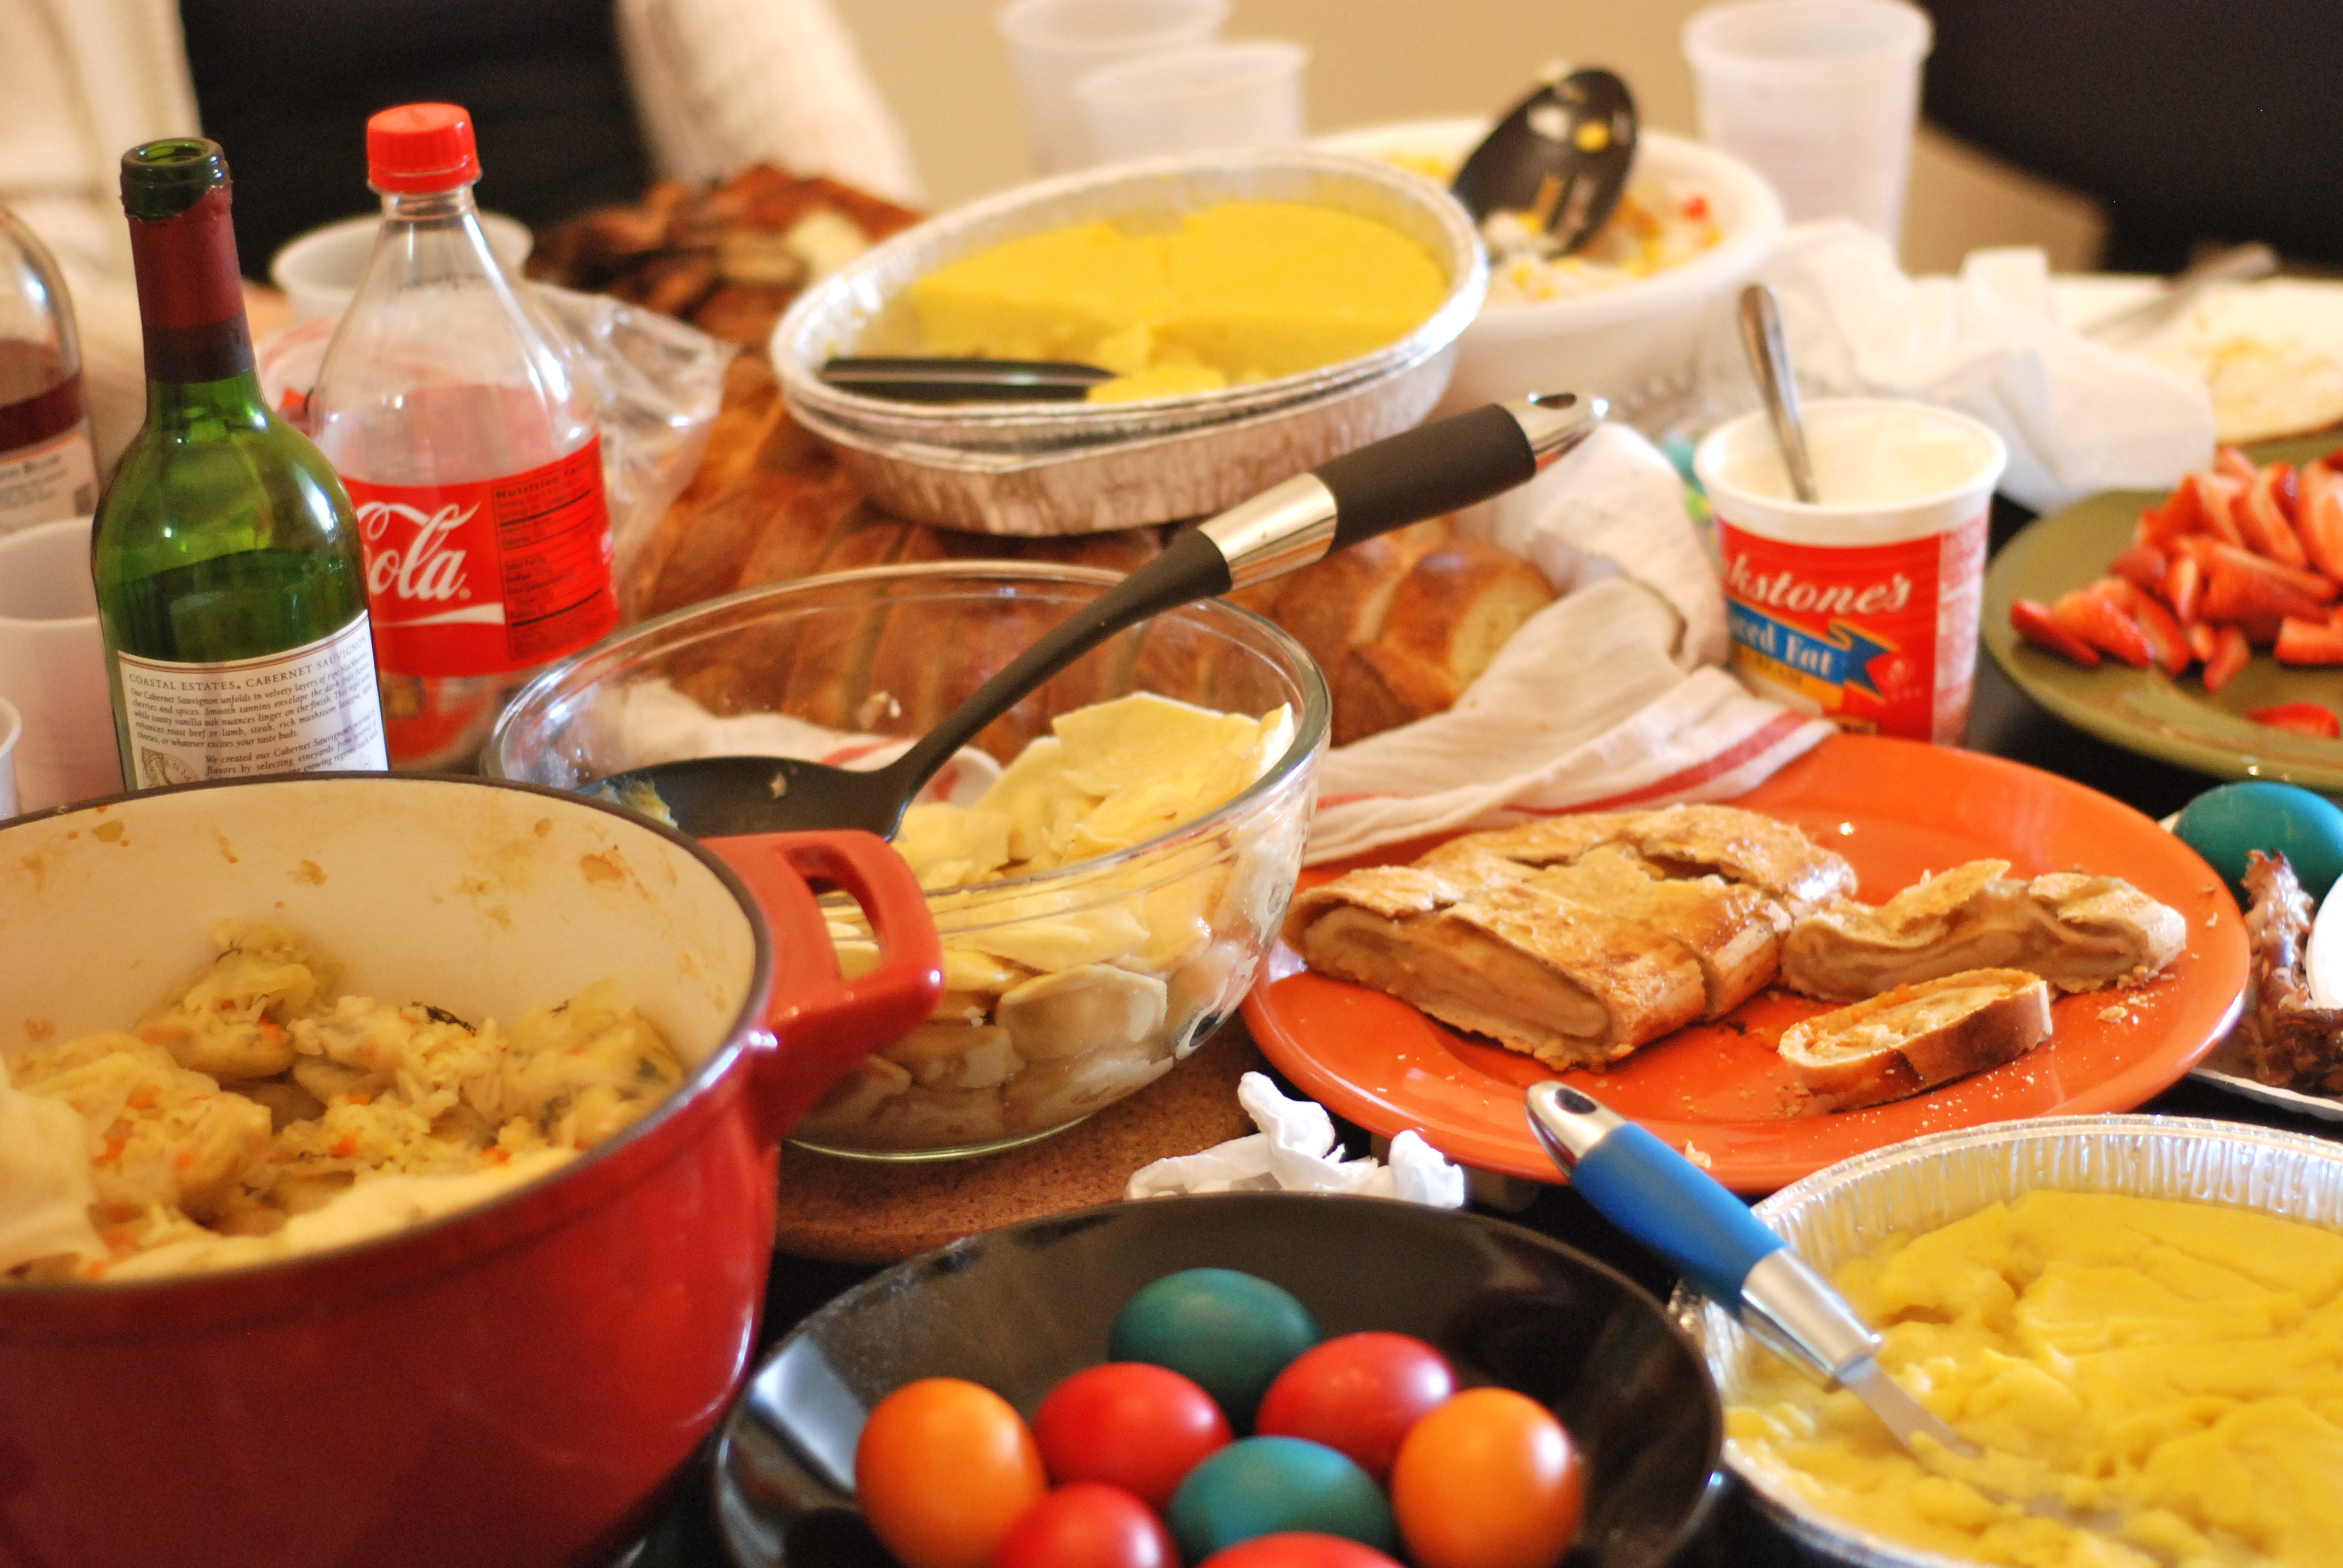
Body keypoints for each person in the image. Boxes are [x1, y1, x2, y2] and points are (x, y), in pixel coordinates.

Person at [1, 0, 920, 468]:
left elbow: (822, 164)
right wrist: (355, 361)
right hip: (323, 415)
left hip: (667, 360)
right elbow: (27, 278)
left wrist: (858, 298)